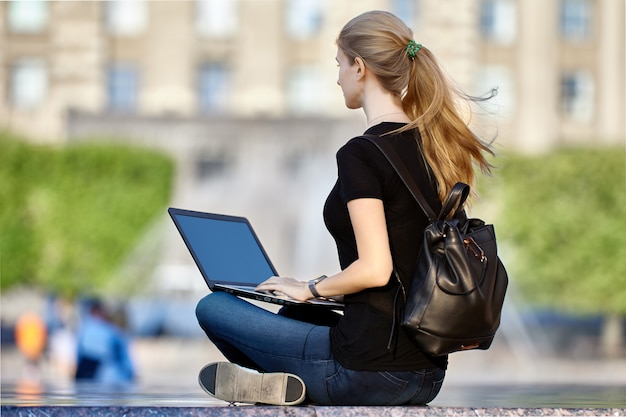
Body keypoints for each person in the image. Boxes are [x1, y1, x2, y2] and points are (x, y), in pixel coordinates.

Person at [195, 10, 494, 406]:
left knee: (215, 306)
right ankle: (281, 384)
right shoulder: (434, 148)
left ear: (359, 67)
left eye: (338, 64)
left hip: (366, 371)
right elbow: (403, 268)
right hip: (425, 377)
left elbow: (376, 269)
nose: (337, 77)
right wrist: (314, 297)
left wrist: (310, 288)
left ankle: (281, 385)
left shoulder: (362, 153)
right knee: (297, 316)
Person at [74, 298, 135, 384]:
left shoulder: (83, 330)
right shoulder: (114, 332)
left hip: (88, 381)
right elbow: (127, 365)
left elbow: (79, 358)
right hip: (113, 381)